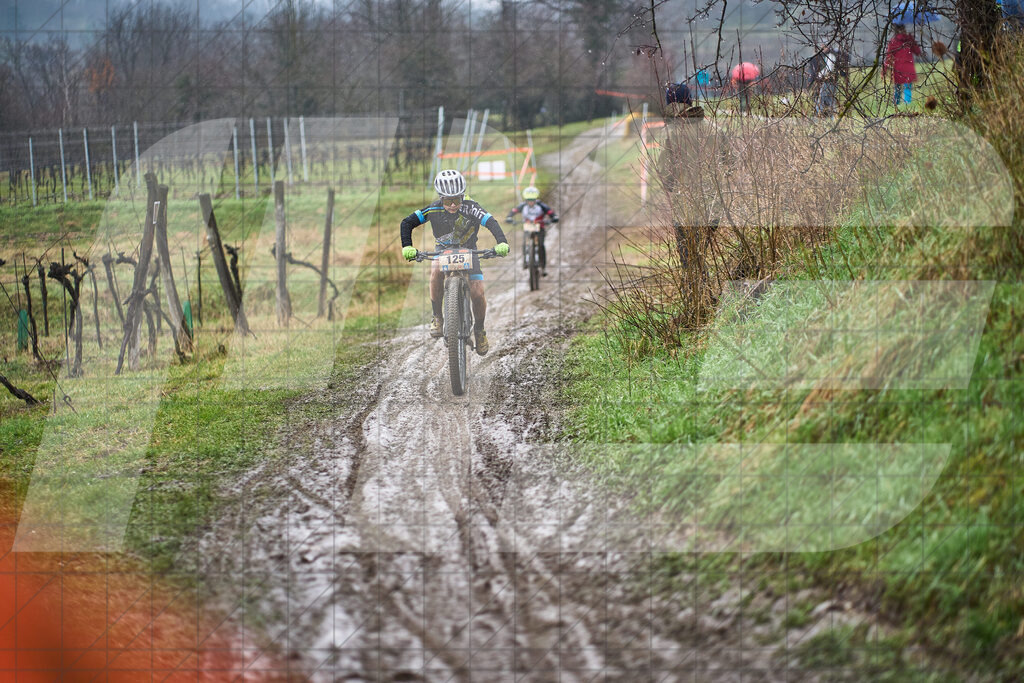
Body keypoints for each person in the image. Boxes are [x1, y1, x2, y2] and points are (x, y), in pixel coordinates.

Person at [400, 169, 509, 355]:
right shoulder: (433, 208)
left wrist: (502, 242)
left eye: (457, 200)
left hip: (469, 251)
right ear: (440, 198)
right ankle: (438, 317)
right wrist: (407, 246)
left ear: (463, 196)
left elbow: (491, 222)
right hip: (443, 251)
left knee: (478, 291)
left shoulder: (471, 207)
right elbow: (406, 223)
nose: (452, 205)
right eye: (447, 201)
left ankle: (480, 330)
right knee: (435, 269)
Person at [506, 185, 558, 276]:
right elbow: (514, 211)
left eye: (532, 200)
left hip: (539, 227)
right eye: (528, 200)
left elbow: (550, 212)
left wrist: (554, 217)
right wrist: (509, 217)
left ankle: (543, 267)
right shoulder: (523, 206)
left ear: (536, 199)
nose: (530, 202)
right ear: (526, 200)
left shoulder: (541, 205)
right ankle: (525, 261)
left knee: (541, 245)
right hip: (528, 227)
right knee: (524, 243)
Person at [884, 22, 922, 108]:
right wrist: (913, 40)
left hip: (898, 69)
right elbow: (918, 52)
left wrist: (884, 70)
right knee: (907, 89)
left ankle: (896, 106)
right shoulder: (909, 40)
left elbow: (888, 58)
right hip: (909, 68)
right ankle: (907, 106)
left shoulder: (893, 42)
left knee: (897, 89)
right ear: (904, 29)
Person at [814, 43, 838, 116]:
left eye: (823, 47)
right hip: (829, 81)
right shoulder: (827, 56)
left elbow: (829, 69)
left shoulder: (831, 56)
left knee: (822, 100)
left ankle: (820, 115)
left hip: (829, 81)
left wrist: (819, 75)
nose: (822, 49)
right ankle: (830, 116)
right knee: (829, 100)